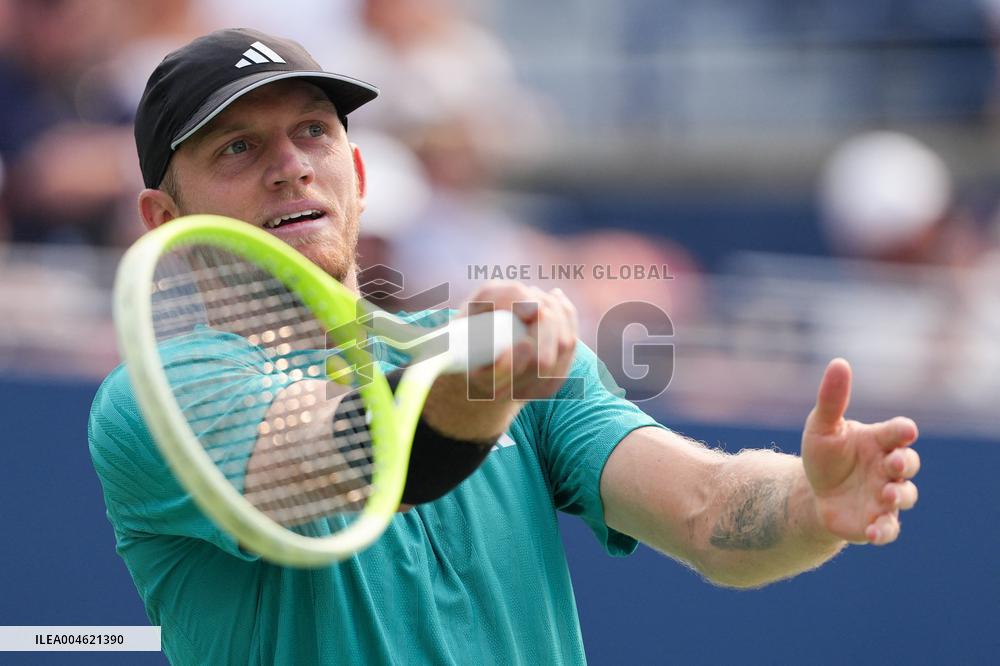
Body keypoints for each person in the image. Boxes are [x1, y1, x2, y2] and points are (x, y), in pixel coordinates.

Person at [89, 29, 921, 665]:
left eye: (313, 131)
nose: (291, 167)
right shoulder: (159, 394)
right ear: (166, 221)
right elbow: (347, 466)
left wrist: (811, 507)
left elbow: (707, 510)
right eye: (237, 146)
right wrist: (478, 385)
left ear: (360, 175)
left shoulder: (497, 361)